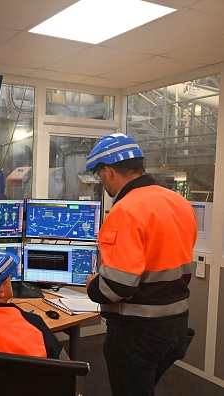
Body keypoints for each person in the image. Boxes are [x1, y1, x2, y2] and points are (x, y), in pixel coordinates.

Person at [84, 132, 197, 396]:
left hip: (138, 332)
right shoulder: (178, 202)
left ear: (109, 171)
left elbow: (117, 286)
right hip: (176, 327)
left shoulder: (125, 211)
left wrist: (93, 287)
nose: (103, 183)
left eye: (100, 176)